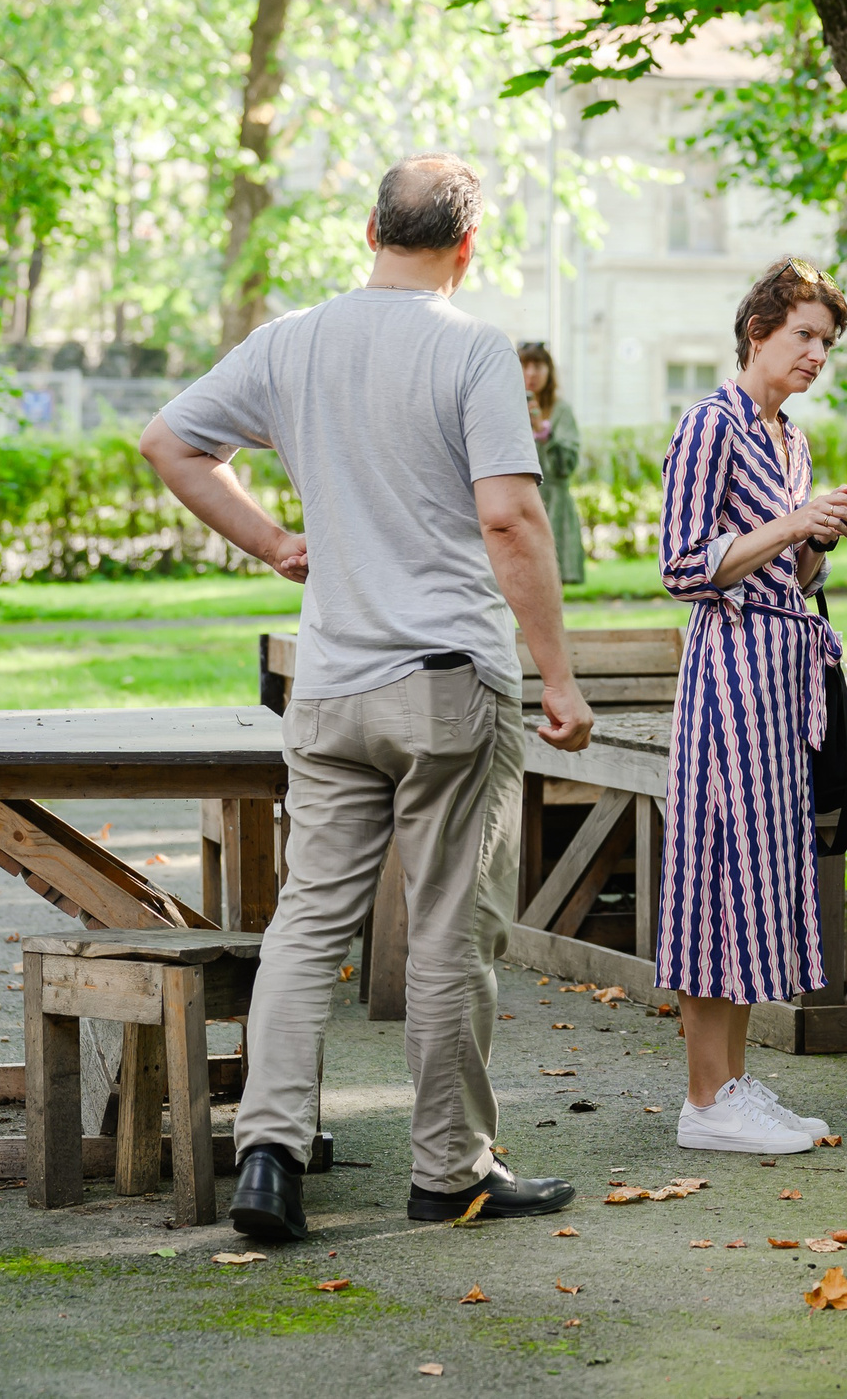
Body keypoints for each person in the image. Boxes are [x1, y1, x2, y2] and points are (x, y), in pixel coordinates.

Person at [139, 152, 596, 1241]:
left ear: (370, 232)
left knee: (307, 921)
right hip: (445, 685)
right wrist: (559, 677)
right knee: (447, 931)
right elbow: (509, 521)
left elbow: (170, 441)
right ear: (466, 246)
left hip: (332, 686)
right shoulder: (474, 350)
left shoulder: (293, 342)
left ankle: (268, 1159)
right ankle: (450, 1170)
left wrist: (274, 543)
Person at [657, 258, 847, 1154]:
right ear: (759, 331)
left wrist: (819, 536)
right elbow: (680, 565)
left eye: (827, 341)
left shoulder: (791, 438)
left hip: (783, 679)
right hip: (728, 674)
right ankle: (706, 1102)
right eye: (804, 336)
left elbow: (789, 569)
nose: (817, 354)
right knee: (717, 877)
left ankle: (731, 1089)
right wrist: (791, 523)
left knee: (755, 880)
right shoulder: (710, 423)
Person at [518, 341, 586, 584]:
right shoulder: (504, 408)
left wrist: (544, 433)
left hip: (554, 508)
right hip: (517, 505)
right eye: (524, 366)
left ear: (549, 371)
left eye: (538, 366)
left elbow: (566, 465)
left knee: (552, 584)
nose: (531, 374)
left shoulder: (561, 411)